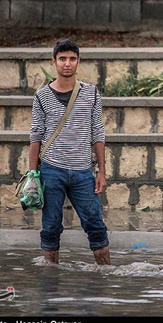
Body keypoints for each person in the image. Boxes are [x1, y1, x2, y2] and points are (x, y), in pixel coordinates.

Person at [29, 39, 110, 265]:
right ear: (54, 62)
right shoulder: (41, 96)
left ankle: (105, 276)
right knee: (51, 228)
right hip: (51, 170)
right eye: (62, 59)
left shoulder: (91, 93)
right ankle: (50, 281)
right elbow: (36, 135)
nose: (67, 63)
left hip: (83, 172)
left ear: (78, 62)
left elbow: (98, 133)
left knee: (95, 225)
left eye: (72, 59)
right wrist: (31, 174)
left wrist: (101, 171)